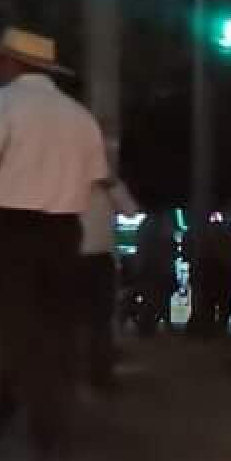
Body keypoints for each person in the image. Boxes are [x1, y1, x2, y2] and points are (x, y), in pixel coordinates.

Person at [0, 28, 108, 455]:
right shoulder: (80, 116)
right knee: (54, 329)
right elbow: (97, 177)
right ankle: (15, 420)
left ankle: (40, 429)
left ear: (10, 63)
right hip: (62, 230)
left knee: (18, 329)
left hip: (11, 228)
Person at [77, 143, 139, 389]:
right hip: (75, 257)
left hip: (102, 259)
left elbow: (132, 211)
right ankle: (80, 370)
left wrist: (112, 184)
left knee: (101, 319)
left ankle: (100, 373)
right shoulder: (68, 182)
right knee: (78, 319)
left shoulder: (110, 186)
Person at [184, 208, 231, 337]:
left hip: (206, 271)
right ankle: (219, 329)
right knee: (225, 303)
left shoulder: (196, 232)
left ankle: (207, 330)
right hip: (226, 271)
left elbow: (186, 252)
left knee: (208, 303)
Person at [133, 209, 178, 335]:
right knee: (159, 298)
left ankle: (148, 326)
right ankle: (154, 324)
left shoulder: (146, 225)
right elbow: (168, 246)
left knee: (153, 298)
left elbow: (142, 249)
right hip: (158, 268)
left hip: (151, 268)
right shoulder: (162, 224)